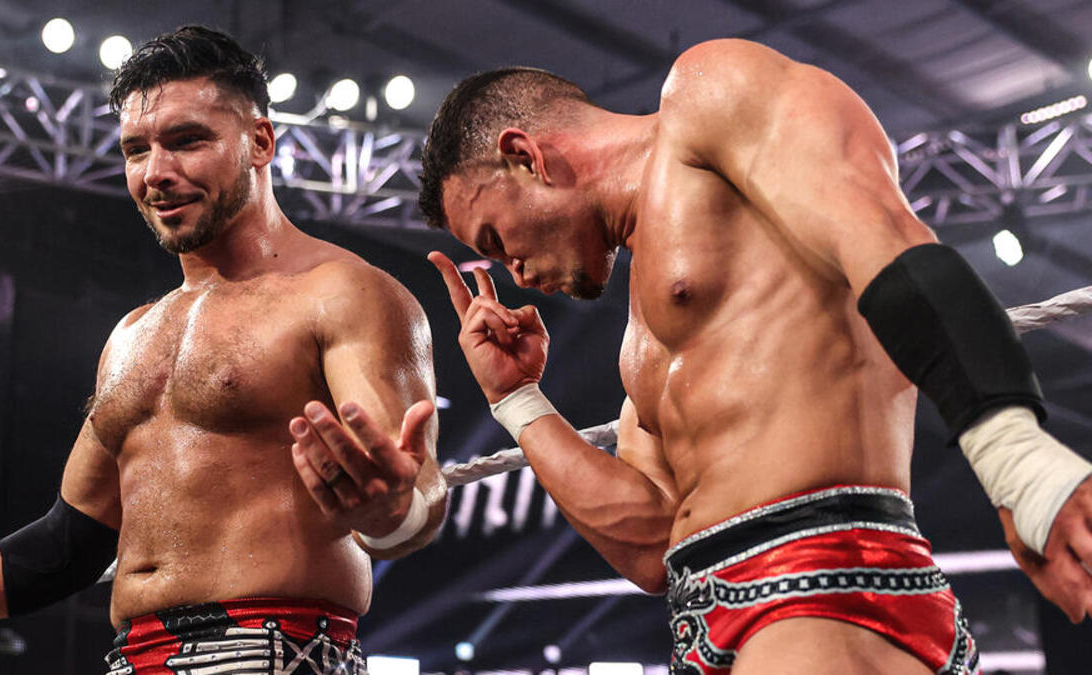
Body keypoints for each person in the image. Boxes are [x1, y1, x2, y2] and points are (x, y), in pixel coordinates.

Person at [422, 39, 1092, 674]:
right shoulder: (641, 337)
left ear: (526, 157)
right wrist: (517, 401)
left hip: (824, 594)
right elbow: (653, 546)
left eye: (495, 237)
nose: (512, 270)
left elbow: (887, 240)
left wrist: (1015, 458)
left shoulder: (708, 99)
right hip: (717, 622)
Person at [0, 26, 447, 674]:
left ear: (260, 142)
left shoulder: (345, 294)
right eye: (137, 149)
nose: (156, 173)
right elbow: (65, 547)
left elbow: (412, 493)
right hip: (132, 657)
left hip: (272, 651)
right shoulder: (131, 335)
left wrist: (390, 513)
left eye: (187, 141)